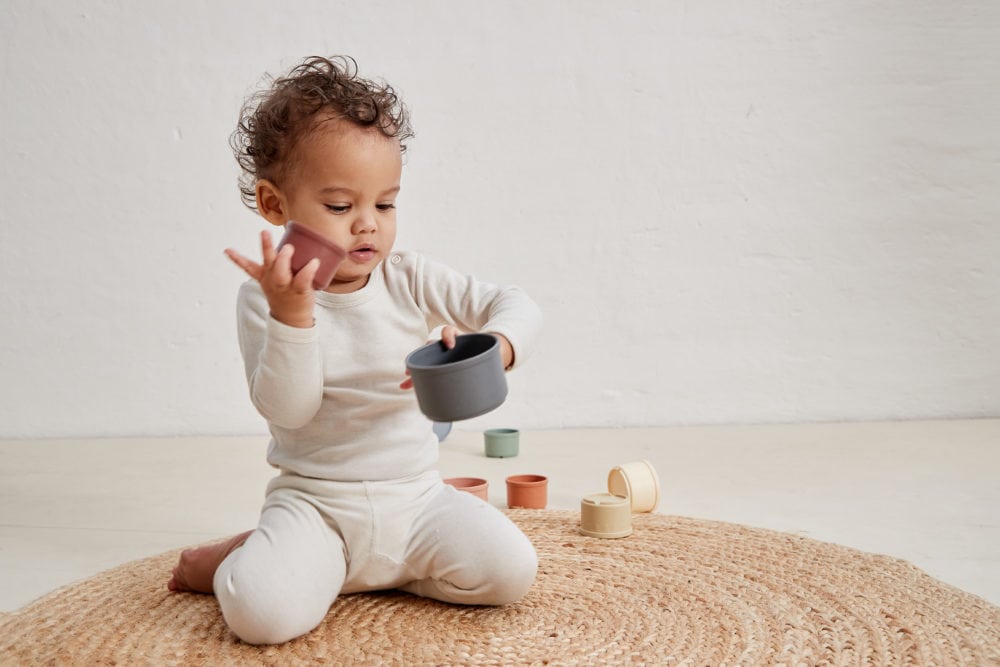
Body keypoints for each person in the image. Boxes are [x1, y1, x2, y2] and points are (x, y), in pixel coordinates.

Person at [166, 55, 542, 645]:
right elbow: (288, 410)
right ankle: (242, 559)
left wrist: (496, 345)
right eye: (341, 207)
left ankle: (358, 571)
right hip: (316, 504)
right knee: (262, 619)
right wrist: (294, 316)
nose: (367, 225)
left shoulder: (409, 278)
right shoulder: (263, 297)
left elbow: (516, 303)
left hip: (415, 498)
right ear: (274, 204)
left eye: (385, 204)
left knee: (511, 572)